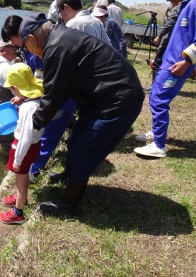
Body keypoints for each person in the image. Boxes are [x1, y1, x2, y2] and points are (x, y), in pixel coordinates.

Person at [18, 12, 144, 215]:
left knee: (84, 149)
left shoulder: (56, 47)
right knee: (74, 139)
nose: (29, 52)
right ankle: (69, 176)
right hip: (101, 98)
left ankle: (69, 205)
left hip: (117, 100)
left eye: (26, 47)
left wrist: (31, 126)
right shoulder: (59, 37)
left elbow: (54, 95)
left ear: (31, 39)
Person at [134, 0, 196, 158]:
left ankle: (159, 145)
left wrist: (185, 63)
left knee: (159, 99)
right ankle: (156, 132)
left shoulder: (195, 6)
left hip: (177, 65)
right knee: (156, 96)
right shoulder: (186, 6)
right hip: (168, 63)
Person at [1, 15, 76, 182]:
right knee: (41, 135)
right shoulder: (31, 49)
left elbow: (47, 83)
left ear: (21, 34)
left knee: (46, 137)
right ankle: (32, 170)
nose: (14, 45)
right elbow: (34, 81)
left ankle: (33, 173)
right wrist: (24, 97)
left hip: (59, 101)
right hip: (46, 98)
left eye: (13, 41)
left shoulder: (40, 51)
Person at [0, 63, 45, 224]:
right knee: (23, 174)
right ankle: (21, 198)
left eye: (12, 88)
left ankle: (18, 212)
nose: (11, 91)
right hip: (35, 145)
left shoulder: (27, 109)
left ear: (16, 87)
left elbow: (25, 138)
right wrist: (22, 97)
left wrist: (17, 160)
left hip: (23, 147)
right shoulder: (39, 99)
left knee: (20, 177)